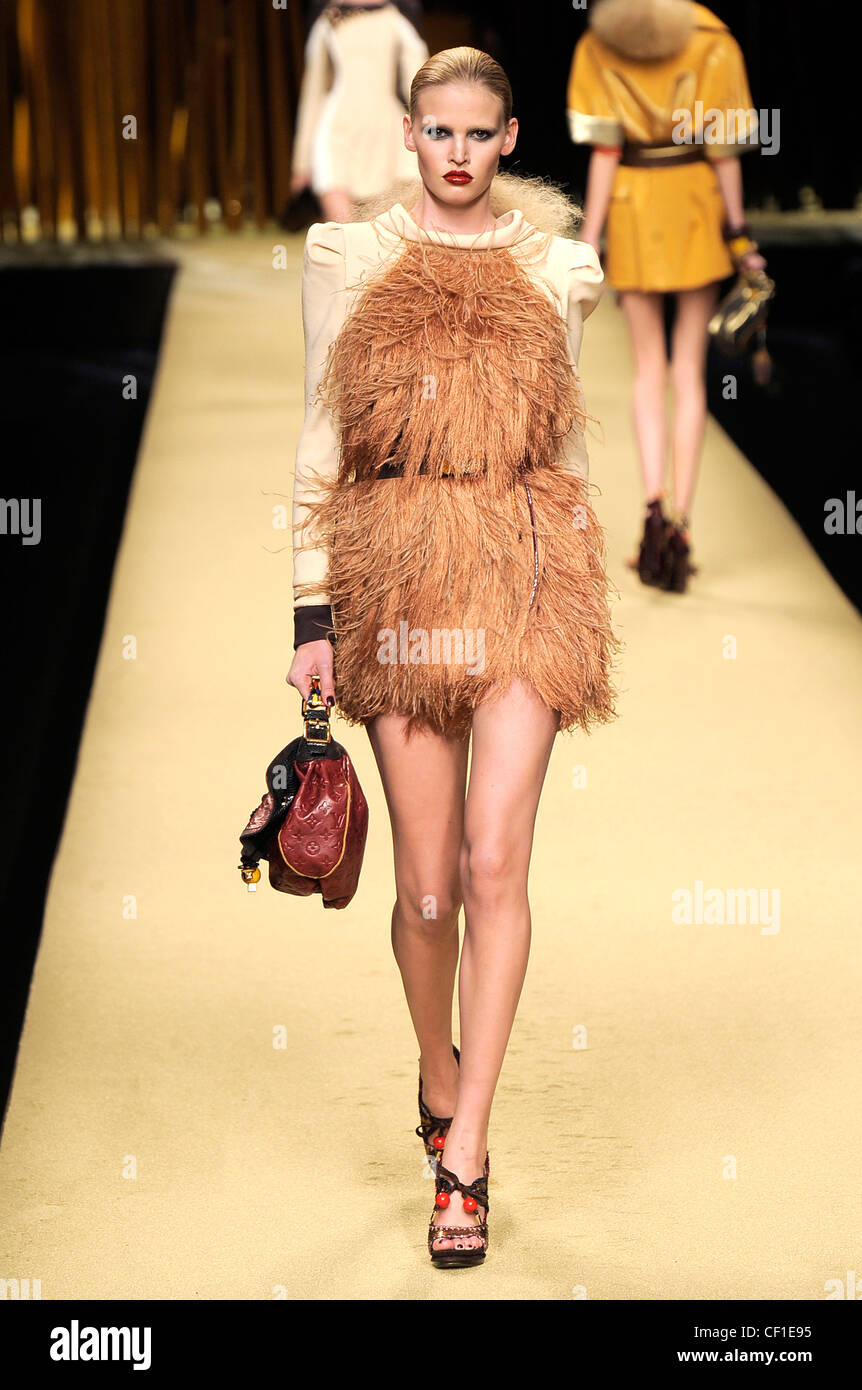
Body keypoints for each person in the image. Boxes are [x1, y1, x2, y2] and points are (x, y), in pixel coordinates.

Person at [286, 46, 622, 1267]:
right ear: (411, 134)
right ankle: (438, 1070)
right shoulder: (349, 259)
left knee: (493, 862)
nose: (460, 155)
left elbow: (569, 444)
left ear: (510, 137)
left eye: (482, 135)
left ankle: (466, 1153)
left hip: (528, 561)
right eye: (439, 133)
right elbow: (320, 438)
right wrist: (308, 616)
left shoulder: (558, 268)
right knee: (424, 890)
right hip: (397, 569)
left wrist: (585, 582)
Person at [567, 0, 767, 592]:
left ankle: (652, 512)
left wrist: (587, 239)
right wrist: (740, 235)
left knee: (647, 370)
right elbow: (723, 151)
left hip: (632, 207)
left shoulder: (600, 42)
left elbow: (605, 151)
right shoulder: (713, 37)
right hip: (694, 205)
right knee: (689, 373)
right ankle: (681, 523)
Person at [290, 0, 429, 223]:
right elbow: (313, 92)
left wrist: (433, 138)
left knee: (390, 234)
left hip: (387, 130)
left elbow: (420, 86)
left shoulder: (398, 18)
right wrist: (302, 162)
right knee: (342, 234)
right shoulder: (328, 19)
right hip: (337, 129)